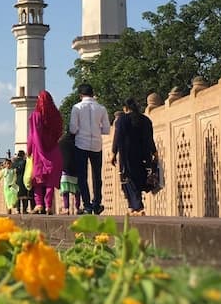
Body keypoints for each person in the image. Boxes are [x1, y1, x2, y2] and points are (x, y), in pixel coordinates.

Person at [69, 84, 111, 215]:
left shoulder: (77, 108)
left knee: (83, 176)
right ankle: (97, 203)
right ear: (93, 94)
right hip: (97, 145)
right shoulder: (101, 108)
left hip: (81, 143)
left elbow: (73, 129)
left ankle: (87, 205)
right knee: (97, 176)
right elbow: (106, 129)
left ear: (80, 95)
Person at [112, 98, 158, 216]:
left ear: (125, 108)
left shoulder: (122, 120)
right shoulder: (146, 120)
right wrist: (154, 151)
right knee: (138, 178)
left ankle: (138, 207)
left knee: (129, 180)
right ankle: (132, 207)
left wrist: (113, 153)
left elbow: (118, 137)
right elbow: (149, 138)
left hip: (127, 155)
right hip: (143, 154)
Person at [27, 90, 64, 214]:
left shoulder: (35, 115)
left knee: (37, 180)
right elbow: (59, 131)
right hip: (53, 150)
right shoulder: (56, 115)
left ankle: (39, 204)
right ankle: (48, 205)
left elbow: (33, 135)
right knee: (50, 181)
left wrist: (29, 149)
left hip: (39, 151)